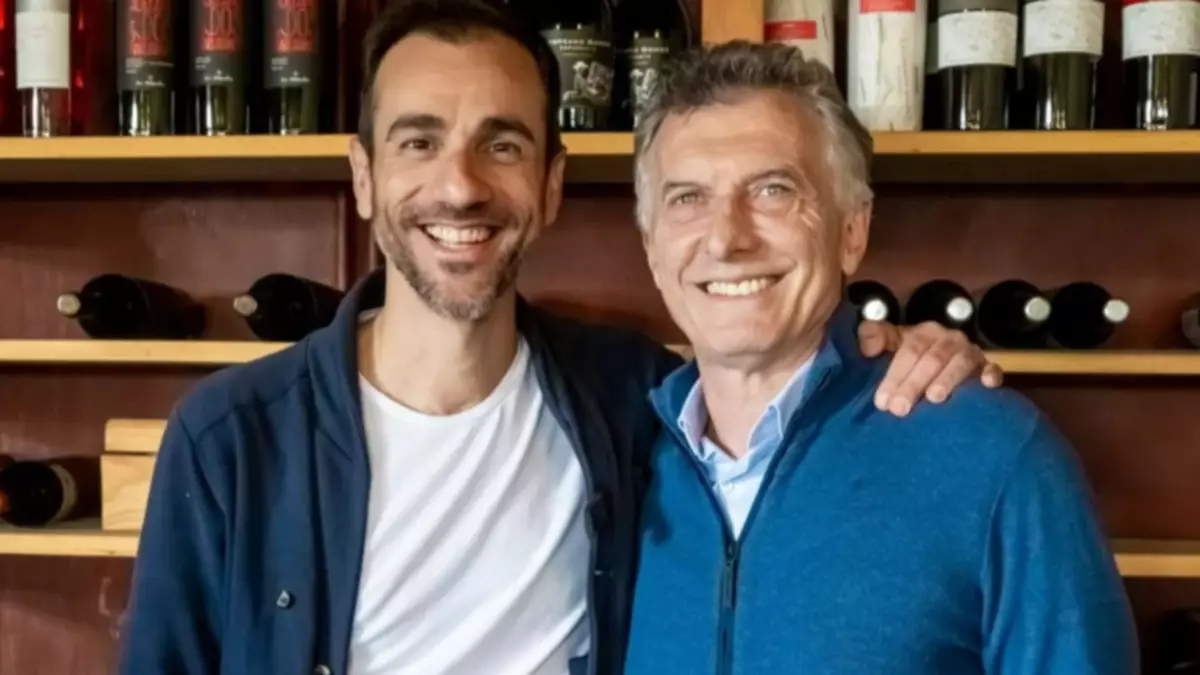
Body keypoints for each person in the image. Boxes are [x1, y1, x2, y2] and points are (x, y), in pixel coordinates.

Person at [115, 3, 1001, 675]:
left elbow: (779, 382)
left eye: (501, 146)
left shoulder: (637, 401)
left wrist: (905, 351)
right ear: (364, 177)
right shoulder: (232, 437)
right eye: (418, 142)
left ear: (550, 184)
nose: (459, 187)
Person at [622, 41, 1138, 675]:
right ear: (652, 248)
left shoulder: (996, 456)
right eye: (687, 199)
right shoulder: (621, 459)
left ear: (851, 231)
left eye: (773, 190)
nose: (727, 238)